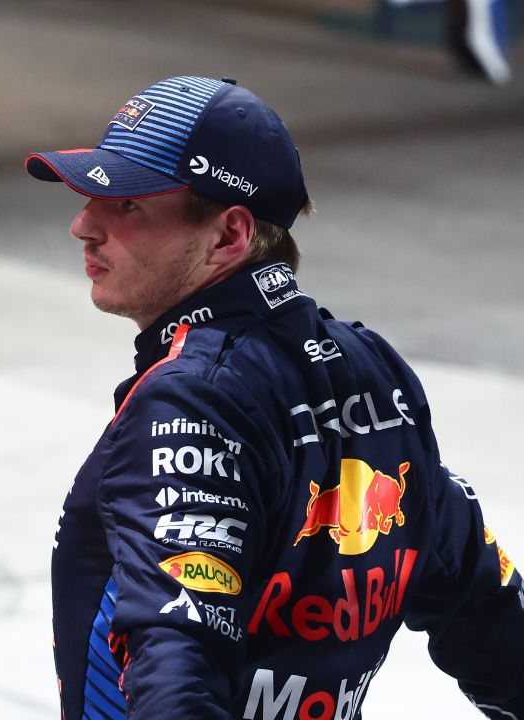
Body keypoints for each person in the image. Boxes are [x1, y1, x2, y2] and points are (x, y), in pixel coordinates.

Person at [26, 75, 523, 719]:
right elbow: (482, 602)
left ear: (230, 235)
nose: (82, 225)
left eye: (129, 204)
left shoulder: (189, 400)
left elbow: (176, 662)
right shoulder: (374, 370)